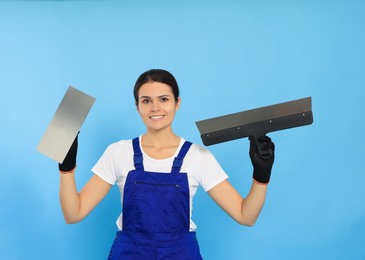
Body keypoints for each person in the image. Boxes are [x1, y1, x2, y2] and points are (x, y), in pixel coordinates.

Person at [58, 69, 275, 259]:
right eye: (146, 100)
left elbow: (246, 216)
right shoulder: (118, 152)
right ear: (137, 106)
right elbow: (73, 214)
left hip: (181, 254)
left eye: (163, 99)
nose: (155, 107)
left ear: (177, 103)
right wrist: (66, 167)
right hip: (130, 254)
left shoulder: (198, 156)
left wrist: (261, 174)